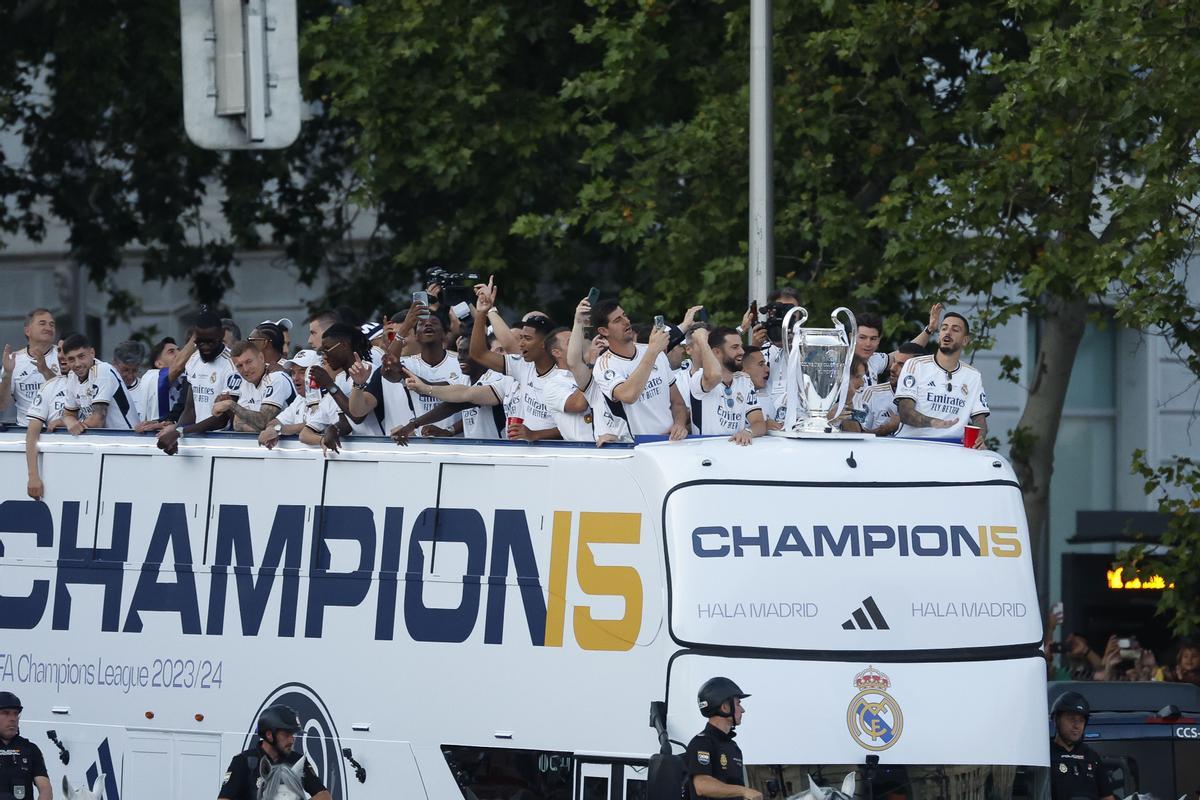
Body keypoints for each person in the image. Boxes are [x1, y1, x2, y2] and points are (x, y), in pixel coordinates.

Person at [590, 299, 689, 440]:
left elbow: (678, 403)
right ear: (603, 331)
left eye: (625, 315)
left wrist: (680, 424)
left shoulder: (655, 353)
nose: (626, 321)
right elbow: (628, 395)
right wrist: (652, 352)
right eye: (618, 320)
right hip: (638, 447)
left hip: (669, 443)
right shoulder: (604, 365)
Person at [894, 311, 989, 447]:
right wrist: (933, 422)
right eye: (944, 328)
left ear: (965, 340)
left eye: (955, 330)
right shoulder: (915, 364)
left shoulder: (973, 376)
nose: (948, 332)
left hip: (953, 447)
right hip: (912, 443)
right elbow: (905, 413)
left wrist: (979, 439)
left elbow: (980, 420)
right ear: (939, 336)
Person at [155, 312, 236, 454]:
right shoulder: (193, 360)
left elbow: (222, 419)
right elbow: (190, 409)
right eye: (199, 342)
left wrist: (180, 432)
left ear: (221, 335)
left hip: (223, 442)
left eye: (210, 341)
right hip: (197, 440)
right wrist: (175, 435)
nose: (204, 346)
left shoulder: (232, 365)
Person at [217, 704, 330, 800]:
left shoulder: (298, 761)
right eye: (286, 735)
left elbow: (324, 796)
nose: (292, 740)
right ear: (269, 735)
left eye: (293, 734)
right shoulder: (244, 762)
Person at [683, 677, 760, 800]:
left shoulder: (733, 747)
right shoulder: (702, 743)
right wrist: (744, 791)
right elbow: (702, 785)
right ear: (724, 707)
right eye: (738, 704)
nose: (742, 710)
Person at [688, 327, 765, 445]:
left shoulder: (744, 380)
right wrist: (702, 341)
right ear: (716, 352)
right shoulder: (699, 378)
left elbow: (759, 422)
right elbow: (714, 375)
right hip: (706, 455)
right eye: (735, 347)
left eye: (740, 346)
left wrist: (748, 432)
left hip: (735, 451)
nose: (742, 351)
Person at [60, 333, 141, 433]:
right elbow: (68, 414)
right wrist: (70, 423)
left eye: (81, 356)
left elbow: (98, 421)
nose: (77, 364)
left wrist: (75, 426)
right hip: (104, 441)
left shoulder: (103, 370)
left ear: (92, 353)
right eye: (71, 359)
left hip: (127, 439)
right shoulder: (72, 376)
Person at [855, 303, 944, 388]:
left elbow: (906, 352)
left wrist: (929, 330)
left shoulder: (875, 359)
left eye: (873, 338)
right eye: (862, 337)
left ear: (879, 340)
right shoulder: (842, 361)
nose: (868, 344)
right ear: (851, 337)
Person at [213, 341, 294, 433]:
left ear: (261, 358)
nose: (246, 369)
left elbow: (263, 422)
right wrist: (261, 427)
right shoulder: (245, 382)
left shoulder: (276, 378)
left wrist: (231, 405)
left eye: (249, 362)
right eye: (239, 366)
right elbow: (237, 424)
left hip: (295, 442)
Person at [1049, 692, 1115, 800]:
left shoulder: (1092, 757)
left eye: (1081, 720)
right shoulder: (1045, 756)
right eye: (1071, 719)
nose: (1076, 725)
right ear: (1056, 719)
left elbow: (1107, 797)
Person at [25, 345, 70, 500]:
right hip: (54, 465)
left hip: (87, 460)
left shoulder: (94, 383)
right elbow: (32, 432)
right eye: (59, 350)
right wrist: (33, 476)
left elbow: (99, 422)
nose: (62, 355)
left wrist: (67, 422)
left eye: (67, 351)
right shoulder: (50, 386)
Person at [0, 307, 59, 426]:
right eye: (42, 323)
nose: (48, 328)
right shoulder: (14, 360)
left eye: (52, 324)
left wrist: (46, 371)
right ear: (27, 331)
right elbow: (2, 405)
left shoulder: (65, 356)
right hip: (24, 432)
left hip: (60, 432)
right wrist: (7, 374)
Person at [0, 692, 51, 800]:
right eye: (6, 713)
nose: (12, 718)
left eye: (15, 713)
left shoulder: (30, 749)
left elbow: (45, 789)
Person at [132, 337, 183, 428]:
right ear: (159, 364)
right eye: (171, 352)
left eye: (179, 350)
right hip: (154, 435)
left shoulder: (186, 377)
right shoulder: (153, 376)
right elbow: (177, 368)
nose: (179, 354)